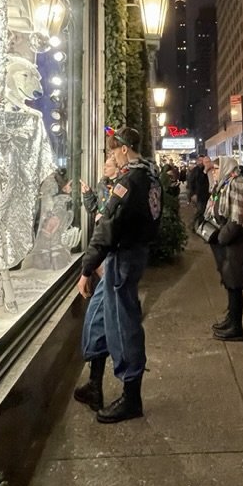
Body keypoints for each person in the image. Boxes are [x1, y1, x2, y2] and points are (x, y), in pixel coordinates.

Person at [74, 127, 162, 423]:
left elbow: (108, 226)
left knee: (123, 325)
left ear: (125, 149)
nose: (111, 155)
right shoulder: (150, 174)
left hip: (122, 257)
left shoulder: (130, 179)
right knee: (100, 317)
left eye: (113, 150)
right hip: (130, 254)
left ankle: (131, 397)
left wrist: (87, 269)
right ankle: (95, 385)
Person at [207, 155, 243, 340]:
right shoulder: (225, 183)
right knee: (230, 282)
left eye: (217, 169)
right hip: (228, 243)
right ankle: (231, 319)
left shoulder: (236, 183)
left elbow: (237, 218)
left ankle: (236, 327)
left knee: (235, 283)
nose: (214, 172)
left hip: (236, 243)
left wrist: (221, 237)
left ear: (226, 167)